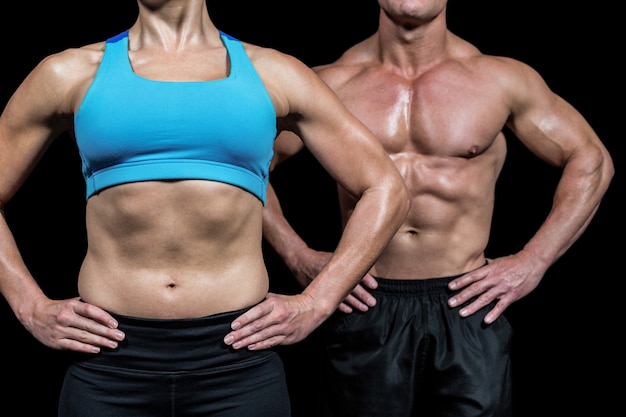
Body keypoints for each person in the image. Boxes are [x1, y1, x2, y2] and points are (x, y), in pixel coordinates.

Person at [0, 0, 411, 415]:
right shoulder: (69, 72)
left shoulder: (273, 73)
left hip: (237, 360)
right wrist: (30, 306)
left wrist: (316, 303)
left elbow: (385, 187)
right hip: (110, 361)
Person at [223, 0, 615, 416]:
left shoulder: (500, 79)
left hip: (468, 305)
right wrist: (297, 255)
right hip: (366, 304)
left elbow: (590, 159)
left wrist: (532, 261)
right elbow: (241, 166)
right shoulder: (329, 84)